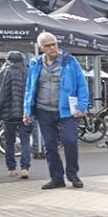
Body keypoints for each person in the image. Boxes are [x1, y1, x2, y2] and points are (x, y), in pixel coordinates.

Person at [23, 32, 89, 189]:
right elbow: (29, 88)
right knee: (50, 145)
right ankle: (57, 178)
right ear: (41, 47)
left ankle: (72, 174)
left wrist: (82, 106)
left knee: (70, 141)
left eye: (54, 44)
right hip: (43, 110)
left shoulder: (69, 61)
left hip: (66, 111)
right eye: (48, 45)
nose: (52, 47)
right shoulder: (35, 63)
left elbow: (82, 85)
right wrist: (27, 110)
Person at [0, 51, 32, 178]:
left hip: (8, 114)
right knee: (25, 141)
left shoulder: (2, 73)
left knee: (9, 141)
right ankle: (25, 167)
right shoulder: (27, 72)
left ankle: (11, 168)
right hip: (25, 113)